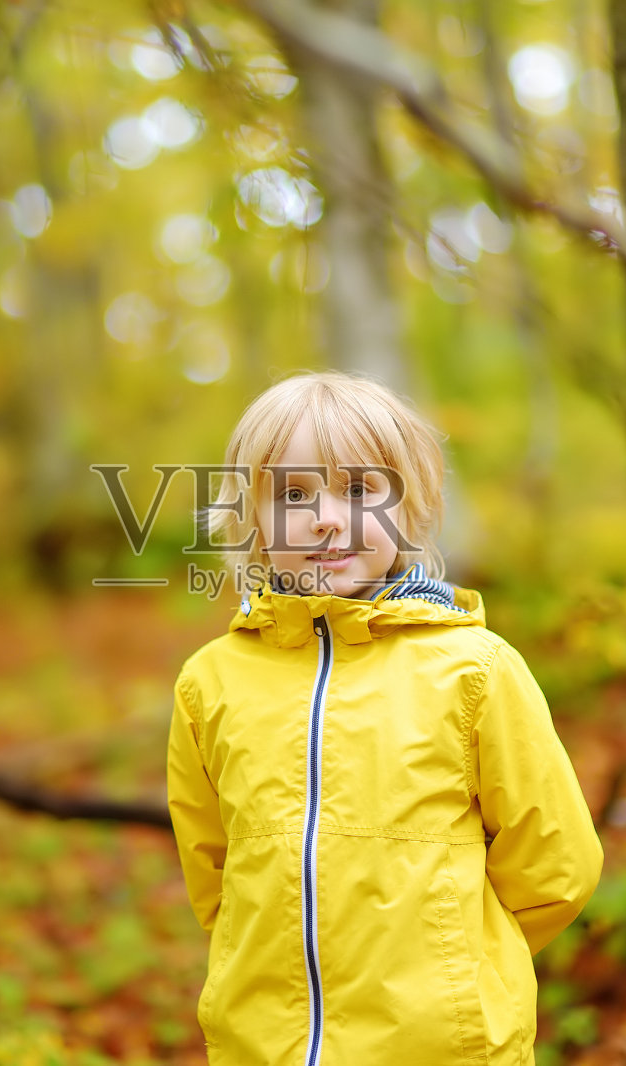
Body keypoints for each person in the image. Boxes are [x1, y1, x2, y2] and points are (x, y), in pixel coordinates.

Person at [166, 370, 603, 1065]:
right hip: (264, 1048)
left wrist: (458, 965)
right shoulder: (211, 685)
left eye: (361, 490)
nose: (328, 518)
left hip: (444, 1048)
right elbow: (215, 875)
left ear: (413, 506)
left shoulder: (474, 670)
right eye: (293, 495)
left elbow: (556, 866)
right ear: (251, 517)